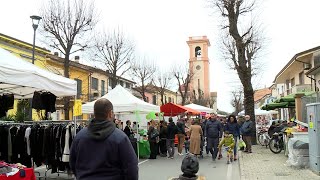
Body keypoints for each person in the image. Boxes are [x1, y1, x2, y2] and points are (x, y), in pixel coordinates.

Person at [70, 98, 138, 180]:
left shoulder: (80, 136)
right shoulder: (120, 138)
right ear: (110, 113)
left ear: (94, 113)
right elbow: (131, 167)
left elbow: (72, 163)